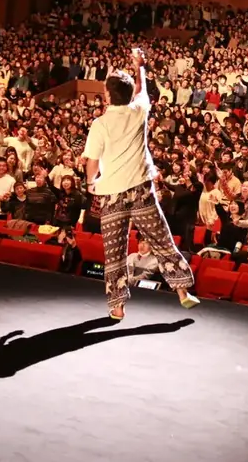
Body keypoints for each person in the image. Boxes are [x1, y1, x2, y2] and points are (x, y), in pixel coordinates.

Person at [83, 48, 198, 322]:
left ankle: (118, 308)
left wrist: (90, 182)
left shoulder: (100, 124)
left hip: (111, 193)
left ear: (107, 96)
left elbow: (92, 161)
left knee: (114, 253)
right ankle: (183, 292)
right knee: (162, 241)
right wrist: (140, 66)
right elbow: (142, 89)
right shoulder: (139, 111)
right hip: (141, 190)